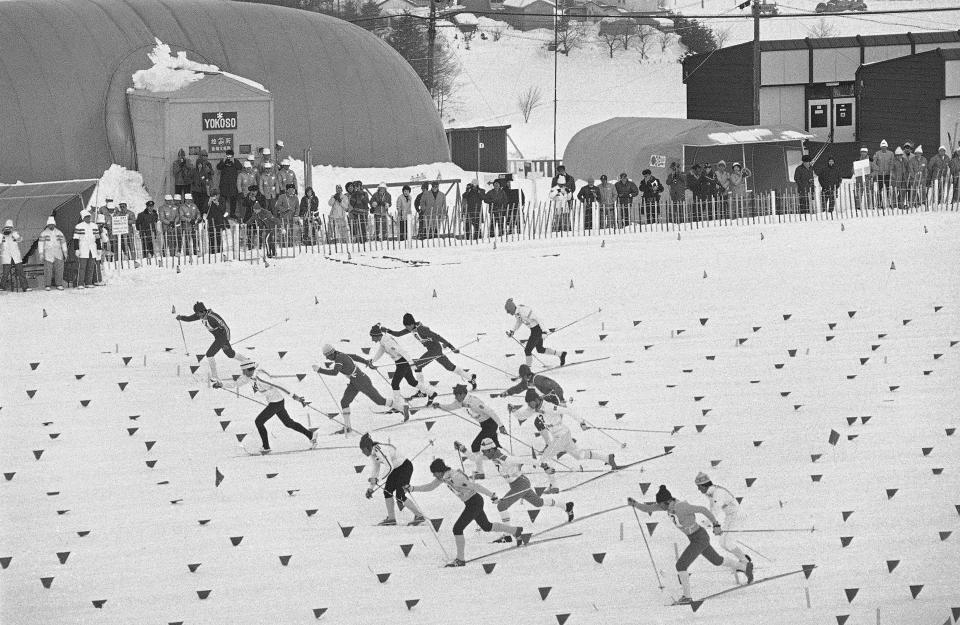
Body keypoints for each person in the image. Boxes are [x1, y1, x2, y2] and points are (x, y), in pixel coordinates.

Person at [627, 485, 753, 604]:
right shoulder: (666, 506)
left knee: (681, 565)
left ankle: (687, 597)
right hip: (695, 538)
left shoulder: (681, 506)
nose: (660, 507)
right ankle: (744, 567)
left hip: (699, 538)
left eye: (661, 505)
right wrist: (635, 504)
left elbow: (702, 510)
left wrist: (716, 524)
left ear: (667, 501)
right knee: (717, 560)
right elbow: (648, 508)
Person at [409, 458, 526, 567]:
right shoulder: (444, 477)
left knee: (457, 528)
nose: (433, 475)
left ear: (440, 471)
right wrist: (412, 488)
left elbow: (475, 486)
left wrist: (492, 496)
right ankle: (515, 531)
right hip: (471, 503)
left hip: (474, 502)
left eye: (434, 473)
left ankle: (460, 559)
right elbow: (430, 487)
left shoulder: (456, 477)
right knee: (486, 526)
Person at [513, 388, 618, 493]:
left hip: (561, 435)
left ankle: (554, 486)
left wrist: (581, 422)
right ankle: (607, 458)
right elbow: (522, 414)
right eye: (528, 404)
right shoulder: (534, 408)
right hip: (562, 434)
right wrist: (514, 411)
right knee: (579, 455)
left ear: (536, 400)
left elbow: (568, 411)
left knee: (545, 460)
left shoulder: (549, 407)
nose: (530, 406)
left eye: (530, 403)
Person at [480, 438, 573, 542]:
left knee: (501, 506)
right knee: (538, 503)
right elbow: (476, 458)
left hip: (521, 484)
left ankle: (507, 535)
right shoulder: (494, 457)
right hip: (517, 485)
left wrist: (545, 466)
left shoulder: (506, 459)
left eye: (484, 452)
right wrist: (463, 449)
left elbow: (527, 460)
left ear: (491, 450)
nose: (484, 454)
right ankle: (567, 506)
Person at [213, 359, 315, 454]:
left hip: (276, 402)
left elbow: (279, 385)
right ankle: (311, 435)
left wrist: (295, 397)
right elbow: (236, 383)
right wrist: (221, 384)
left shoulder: (260, 376)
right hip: (275, 401)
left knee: (259, 421)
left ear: (250, 370)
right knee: (288, 423)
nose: (243, 373)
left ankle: (266, 447)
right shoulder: (248, 376)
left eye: (244, 371)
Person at [312, 343, 401, 434]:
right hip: (354, 382)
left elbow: (335, 372)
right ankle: (348, 427)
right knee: (344, 402)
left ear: (331, 353)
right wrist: (366, 362)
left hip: (362, 382)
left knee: (380, 401)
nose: (327, 359)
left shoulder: (339, 358)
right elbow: (354, 357)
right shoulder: (340, 354)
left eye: (327, 356)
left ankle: (401, 407)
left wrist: (320, 370)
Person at [383, 313, 475, 391]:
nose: (407, 328)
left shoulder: (422, 329)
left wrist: (451, 346)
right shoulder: (411, 328)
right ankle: (471, 378)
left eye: (407, 326)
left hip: (435, 350)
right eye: (405, 326)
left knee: (417, 366)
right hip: (433, 350)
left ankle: (422, 391)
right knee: (449, 367)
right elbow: (398, 334)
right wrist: (387, 330)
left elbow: (437, 336)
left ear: (412, 324)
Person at [437, 384, 506, 479]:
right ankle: (510, 463)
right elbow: (450, 407)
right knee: (495, 447)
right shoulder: (460, 402)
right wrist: (439, 405)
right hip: (484, 425)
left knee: (475, 446)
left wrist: (501, 425)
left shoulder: (474, 402)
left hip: (491, 424)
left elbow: (490, 411)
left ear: (462, 394)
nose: (455, 397)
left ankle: (480, 472)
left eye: (456, 395)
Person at [360, 433, 426, 526]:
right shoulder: (373, 454)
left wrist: (378, 480)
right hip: (395, 469)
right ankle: (391, 519)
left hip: (405, 467)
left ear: (368, 447)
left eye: (363, 450)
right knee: (387, 491)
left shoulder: (378, 449)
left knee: (400, 495)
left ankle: (419, 516)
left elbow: (389, 466)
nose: (363, 452)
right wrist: (371, 488)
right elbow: (376, 469)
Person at [366, 323, 428, 416]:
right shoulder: (383, 341)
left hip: (403, 363)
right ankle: (431, 393)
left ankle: (397, 406)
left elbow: (402, 351)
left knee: (395, 383)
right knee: (411, 381)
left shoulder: (388, 342)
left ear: (377, 335)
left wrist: (411, 364)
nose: (372, 339)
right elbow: (380, 351)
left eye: (372, 337)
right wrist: (373, 361)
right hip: (400, 363)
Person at [694, 472, 750, 565]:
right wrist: (708, 523)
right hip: (730, 516)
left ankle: (746, 562)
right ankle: (743, 558)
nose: (698, 489)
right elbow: (712, 509)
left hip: (737, 516)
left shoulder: (717, 493)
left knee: (728, 543)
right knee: (722, 543)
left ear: (703, 486)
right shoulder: (711, 492)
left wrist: (712, 525)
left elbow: (715, 511)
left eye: (699, 487)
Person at [175, 301, 238, 381]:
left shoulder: (213, 317)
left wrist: (226, 341)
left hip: (222, 337)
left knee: (209, 354)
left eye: (198, 313)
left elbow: (226, 328)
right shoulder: (201, 315)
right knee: (230, 354)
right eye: (196, 313)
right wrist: (182, 318)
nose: (197, 315)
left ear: (203, 311)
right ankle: (248, 362)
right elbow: (190, 318)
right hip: (218, 338)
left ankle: (215, 377)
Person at [504, 298, 566, 368]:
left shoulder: (523, 311)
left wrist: (544, 331)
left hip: (537, 330)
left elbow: (538, 318)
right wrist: (513, 331)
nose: (508, 313)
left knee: (527, 350)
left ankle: (528, 372)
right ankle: (561, 354)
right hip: (534, 330)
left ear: (512, 308)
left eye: (508, 311)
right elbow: (519, 321)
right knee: (540, 349)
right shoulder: (517, 313)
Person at [499, 364, 564, 404]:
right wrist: (507, 392)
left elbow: (554, 385)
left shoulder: (538, 379)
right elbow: (518, 388)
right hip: (543, 402)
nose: (522, 378)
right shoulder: (526, 382)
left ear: (527, 374)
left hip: (552, 400)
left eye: (523, 376)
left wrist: (561, 398)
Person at [37, 216, 67, 291]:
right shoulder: (43, 233)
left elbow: (63, 243)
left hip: (58, 253)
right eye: (50, 224)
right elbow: (40, 244)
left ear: (54, 224)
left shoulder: (59, 232)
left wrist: (65, 252)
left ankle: (59, 284)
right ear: (47, 225)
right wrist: (41, 253)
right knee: (48, 270)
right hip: (48, 254)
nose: (51, 226)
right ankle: (47, 285)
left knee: (59, 269)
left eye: (52, 224)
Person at [73, 210, 100, 288]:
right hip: (83, 248)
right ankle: (80, 283)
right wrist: (76, 249)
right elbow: (76, 239)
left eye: (89, 217)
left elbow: (97, 238)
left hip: (92, 248)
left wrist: (99, 248)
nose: (88, 218)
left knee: (91, 266)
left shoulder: (94, 226)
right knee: (82, 267)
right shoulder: (79, 226)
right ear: (83, 218)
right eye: (86, 217)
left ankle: (89, 282)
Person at [0, 219, 29, 292]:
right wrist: (3, 234)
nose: (8, 229)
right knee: (5, 273)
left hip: (16, 257)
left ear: (12, 228)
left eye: (10, 228)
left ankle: (25, 287)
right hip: (6, 257)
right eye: (7, 227)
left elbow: (20, 239)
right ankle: (2, 287)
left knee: (21, 272)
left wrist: (14, 234)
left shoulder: (15, 234)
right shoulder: (1, 235)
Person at [217, 150, 242, 218]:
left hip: (233, 184)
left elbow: (240, 167)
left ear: (233, 156)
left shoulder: (235, 161)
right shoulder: (223, 161)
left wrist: (233, 161)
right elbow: (218, 167)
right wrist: (223, 161)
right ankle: (223, 214)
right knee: (223, 200)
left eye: (230, 156)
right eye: (228, 155)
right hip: (224, 184)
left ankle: (232, 214)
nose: (229, 157)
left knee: (233, 200)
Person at [192, 150, 215, 217]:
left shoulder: (208, 164)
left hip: (208, 183)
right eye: (203, 155)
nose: (205, 157)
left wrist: (209, 170)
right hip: (198, 186)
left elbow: (212, 172)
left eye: (206, 156)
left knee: (208, 199)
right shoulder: (198, 163)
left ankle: (207, 214)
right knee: (198, 201)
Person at [872, 140, 894, 207]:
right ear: (880, 147)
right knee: (879, 189)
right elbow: (874, 163)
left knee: (888, 189)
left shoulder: (891, 153)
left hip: (887, 174)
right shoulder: (877, 153)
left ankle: (888, 202)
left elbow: (892, 163)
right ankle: (879, 203)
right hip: (880, 174)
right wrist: (877, 169)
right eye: (882, 147)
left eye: (884, 146)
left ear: (886, 146)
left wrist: (891, 170)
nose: (883, 148)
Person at [206, 191, 226, 255]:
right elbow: (204, 209)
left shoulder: (222, 200)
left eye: (215, 195)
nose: (214, 197)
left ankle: (219, 250)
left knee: (219, 236)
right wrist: (209, 203)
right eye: (212, 195)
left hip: (219, 220)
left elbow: (223, 209)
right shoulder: (208, 200)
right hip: (211, 220)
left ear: (218, 195)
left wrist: (217, 203)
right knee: (211, 236)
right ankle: (212, 251)